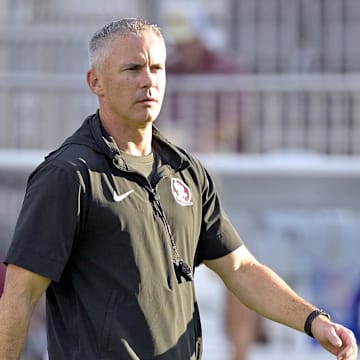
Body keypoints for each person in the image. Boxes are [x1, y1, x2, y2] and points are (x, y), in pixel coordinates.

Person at [0, 18, 357, 360]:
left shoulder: (186, 171)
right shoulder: (68, 175)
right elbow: (21, 292)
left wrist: (314, 321)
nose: (149, 81)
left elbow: (240, 269)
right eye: (132, 69)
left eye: (157, 68)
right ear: (96, 82)